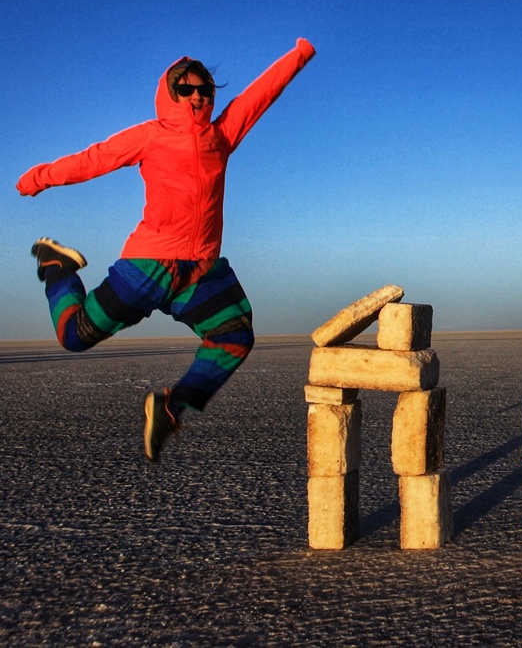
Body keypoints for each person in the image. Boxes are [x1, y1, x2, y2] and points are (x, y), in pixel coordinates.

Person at [17, 38, 315, 462]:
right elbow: (92, 159)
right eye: (187, 89)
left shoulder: (222, 135)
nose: (197, 96)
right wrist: (39, 178)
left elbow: (260, 94)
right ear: (170, 92)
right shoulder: (151, 135)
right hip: (149, 264)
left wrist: (300, 53)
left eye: (204, 90)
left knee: (234, 337)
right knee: (72, 334)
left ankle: (171, 409)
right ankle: (56, 265)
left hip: (200, 271)